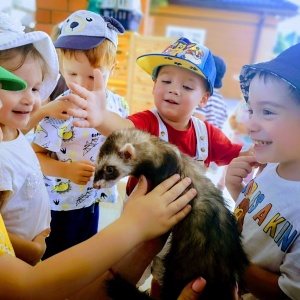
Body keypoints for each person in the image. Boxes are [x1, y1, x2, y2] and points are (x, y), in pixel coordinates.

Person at [63, 36, 252, 297]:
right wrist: (100, 118)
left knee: (164, 281)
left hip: (184, 232)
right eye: (165, 81)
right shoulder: (146, 125)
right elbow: (123, 131)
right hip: (141, 225)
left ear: (204, 99)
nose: (174, 89)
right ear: (154, 87)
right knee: (121, 275)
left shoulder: (207, 134)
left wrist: (263, 151)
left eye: (187, 86)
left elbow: (236, 153)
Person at [31, 10, 130, 260]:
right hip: (59, 204)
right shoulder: (62, 110)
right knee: (55, 261)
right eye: (73, 74)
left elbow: (128, 140)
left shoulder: (118, 106)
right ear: (62, 67)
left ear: (112, 68)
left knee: (84, 256)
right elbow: (36, 155)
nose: (82, 85)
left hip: (92, 200)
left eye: (92, 76)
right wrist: (66, 171)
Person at [225, 43, 300, 299]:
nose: (249, 124)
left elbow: (287, 293)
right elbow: (262, 224)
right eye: (251, 110)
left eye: (267, 111)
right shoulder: (271, 166)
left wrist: (226, 251)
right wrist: (237, 191)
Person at [0, 12, 59, 265]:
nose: (31, 99)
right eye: (16, 85)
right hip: (17, 261)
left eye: (35, 88)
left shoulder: (11, 131)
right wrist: (33, 250)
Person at [194, 54, 228, 130]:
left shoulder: (203, 97)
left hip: (202, 137)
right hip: (214, 138)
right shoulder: (221, 101)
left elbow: (198, 122)